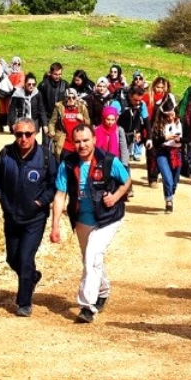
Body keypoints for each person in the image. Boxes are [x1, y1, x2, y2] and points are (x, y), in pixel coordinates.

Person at [50, 123, 131, 324]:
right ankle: (102, 290)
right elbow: (60, 195)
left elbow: (127, 180)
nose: (82, 145)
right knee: (90, 259)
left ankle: (87, 306)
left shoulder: (109, 161)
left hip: (107, 218)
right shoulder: (67, 164)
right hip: (82, 220)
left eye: (86, 140)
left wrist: (116, 196)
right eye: (77, 141)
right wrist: (55, 226)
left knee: (92, 255)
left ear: (94, 139)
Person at [0, 117, 57, 317]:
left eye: (28, 134)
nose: (24, 138)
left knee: (26, 258)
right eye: (19, 134)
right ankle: (32, 277)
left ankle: (24, 302)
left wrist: (40, 202)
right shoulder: (5, 154)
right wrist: (4, 201)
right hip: (11, 217)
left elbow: (54, 184)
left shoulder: (45, 157)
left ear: (35, 134)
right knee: (13, 259)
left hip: (35, 219)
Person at [147, 101, 183, 213]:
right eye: (168, 115)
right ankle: (169, 201)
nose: (170, 117)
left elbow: (189, 138)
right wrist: (165, 138)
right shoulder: (159, 124)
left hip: (176, 152)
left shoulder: (181, 123)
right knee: (167, 177)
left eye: (172, 114)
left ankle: (170, 192)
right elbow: (155, 140)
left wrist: (179, 139)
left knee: (175, 180)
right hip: (162, 152)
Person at [48, 88, 90, 160]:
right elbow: (52, 122)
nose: (71, 100)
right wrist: (51, 131)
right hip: (64, 142)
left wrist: (83, 119)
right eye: (68, 97)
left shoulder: (82, 107)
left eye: (73, 97)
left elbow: (88, 123)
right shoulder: (59, 107)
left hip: (79, 143)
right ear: (65, 98)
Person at [0, 57, 25, 133]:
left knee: (11, 110)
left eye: (18, 64)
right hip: (4, 93)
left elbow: (22, 82)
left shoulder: (21, 73)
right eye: (15, 63)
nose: (17, 65)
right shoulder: (7, 71)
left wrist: (15, 88)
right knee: (2, 110)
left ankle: (11, 126)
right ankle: (1, 124)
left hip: (14, 94)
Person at [94, 103, 129, 169]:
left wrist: (124, 165)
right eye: (108, 119)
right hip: (100, 163)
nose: (110, 122)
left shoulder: (119, 130)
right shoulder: (97, 130)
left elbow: (123, 148)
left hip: (115, 163)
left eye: (113, 120)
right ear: (104, 118)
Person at [119, 88, 149, 163]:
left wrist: (149, 138)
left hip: (130, 134)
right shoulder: (119, 103)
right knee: (120, 158)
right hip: (118, 133)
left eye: (140, 100)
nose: (138, 102)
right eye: (136, 100)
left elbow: (146, 121)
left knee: (125, 159)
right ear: (130, 96)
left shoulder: (142, 104)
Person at [38, 62, 68, 138]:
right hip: (47, 117)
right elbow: (40, 105)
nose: (58, 76)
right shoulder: (43, 85)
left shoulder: (65, 85)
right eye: (55, 74)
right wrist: (44, 122)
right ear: (50, 73)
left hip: (60, 118)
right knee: (46, 143)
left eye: (60, 74)